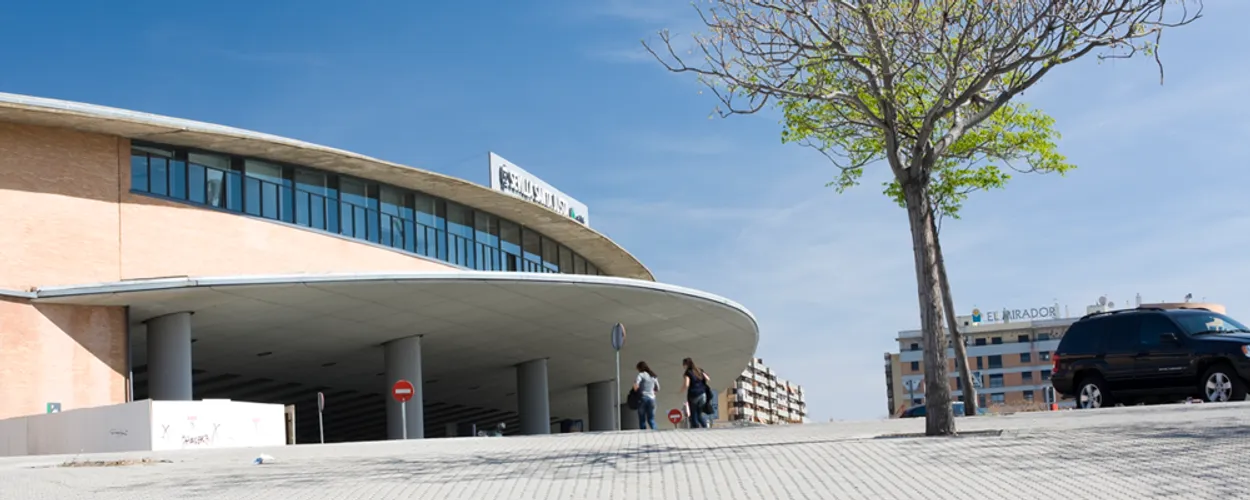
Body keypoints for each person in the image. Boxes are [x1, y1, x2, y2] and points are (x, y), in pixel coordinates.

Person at [681, 357, 712, 429]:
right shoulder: (699, 370)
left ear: (686, 365)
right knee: (699, 414)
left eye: (683, 365)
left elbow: (686, 384)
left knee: (693, 414)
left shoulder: (688, 373)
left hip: (694, 395)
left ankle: (695, 429)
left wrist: (681, 390)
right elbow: (708, 379)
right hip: (703, 394)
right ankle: (705, 427)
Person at [633, 361, 660, 429]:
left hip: (643, 398)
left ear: (640, 368)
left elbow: (636, 386)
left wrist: (636, 390)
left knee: (642, 419)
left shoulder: (641, 375)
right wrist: (652, 391)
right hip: (652, 399)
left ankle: (643, 433)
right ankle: (656, 432)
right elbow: (658, 388)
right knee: (651, 419)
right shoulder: (653, 376)